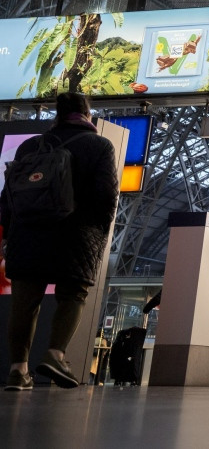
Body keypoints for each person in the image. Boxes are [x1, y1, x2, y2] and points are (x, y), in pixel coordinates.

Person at [2, 92, 119, 391]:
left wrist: (9, 232)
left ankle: (18, 371)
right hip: (75, 235)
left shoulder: (31, 145)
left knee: (24, 304)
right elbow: (106, 195)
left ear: (58, 114)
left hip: (28, 233)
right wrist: (100, 231)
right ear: (87, 114)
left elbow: (9, 197)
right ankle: (55, 354)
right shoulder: (99, 145)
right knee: (73, 294)